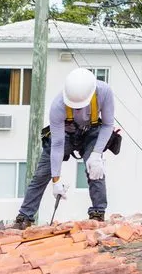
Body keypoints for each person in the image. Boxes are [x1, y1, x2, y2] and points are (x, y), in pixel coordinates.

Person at [13, 68, 115, 228]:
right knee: (42, 173)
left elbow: (108, 125)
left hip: (92, 133)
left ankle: (97, 213)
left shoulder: (104, 92)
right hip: (66, 135)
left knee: (95, 170)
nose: (77, 109)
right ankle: (24, 216)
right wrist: (56, 180)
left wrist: (96, 154)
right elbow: (58, 144)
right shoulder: (58, 105)